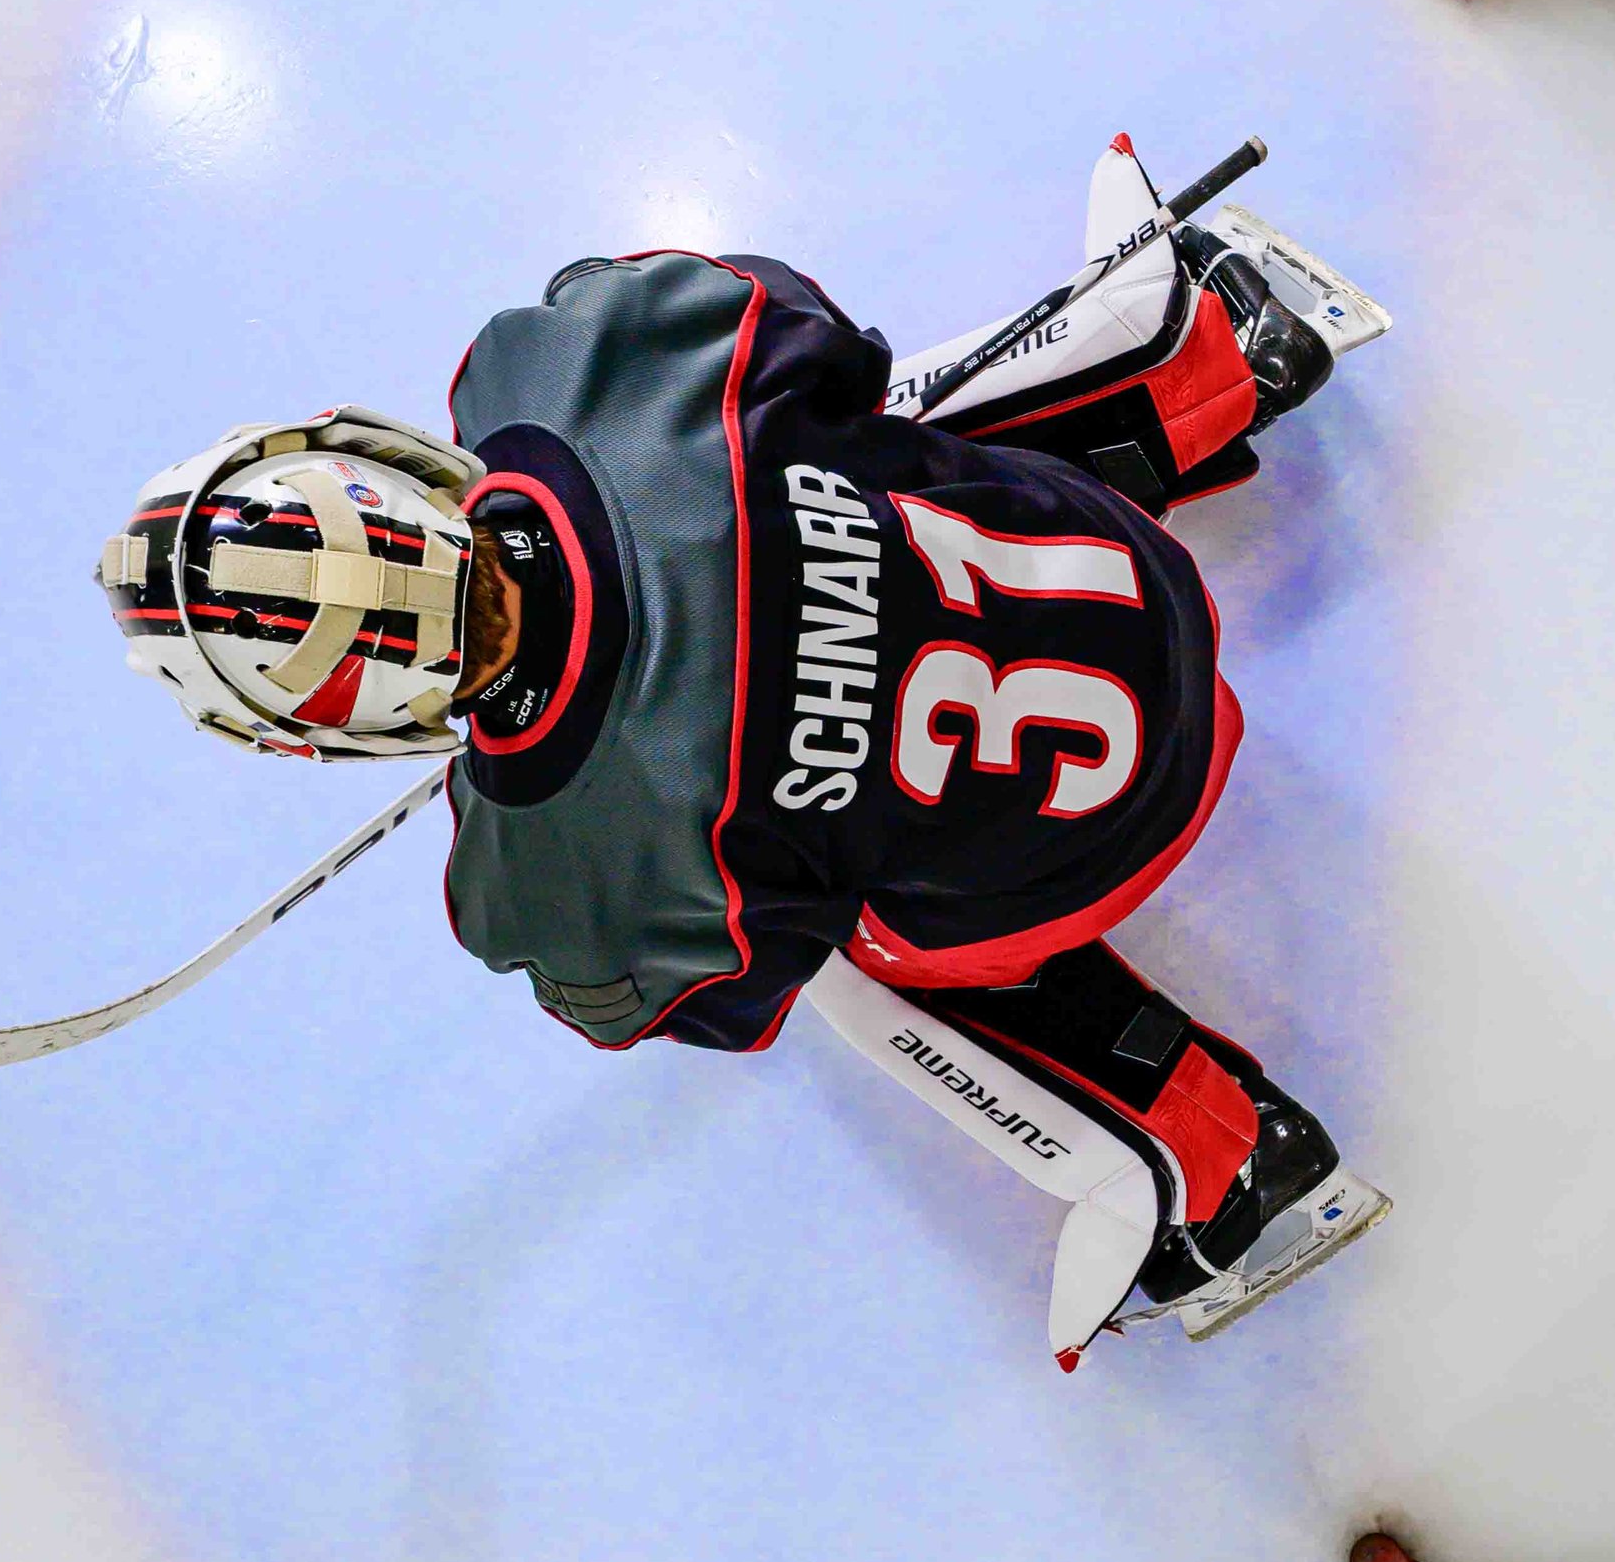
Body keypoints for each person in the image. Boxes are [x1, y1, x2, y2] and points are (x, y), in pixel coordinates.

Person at [97, 140, 1389, 1364]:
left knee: (825, 941)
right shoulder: (582, 360)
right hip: (1126, 576)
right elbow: (825, 339)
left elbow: (714, 1004)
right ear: (370, 462)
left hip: (1110, 833)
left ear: (334, 725)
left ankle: (1205, 1162)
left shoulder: (546, 886)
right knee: (864, 438)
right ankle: (1208, 349)